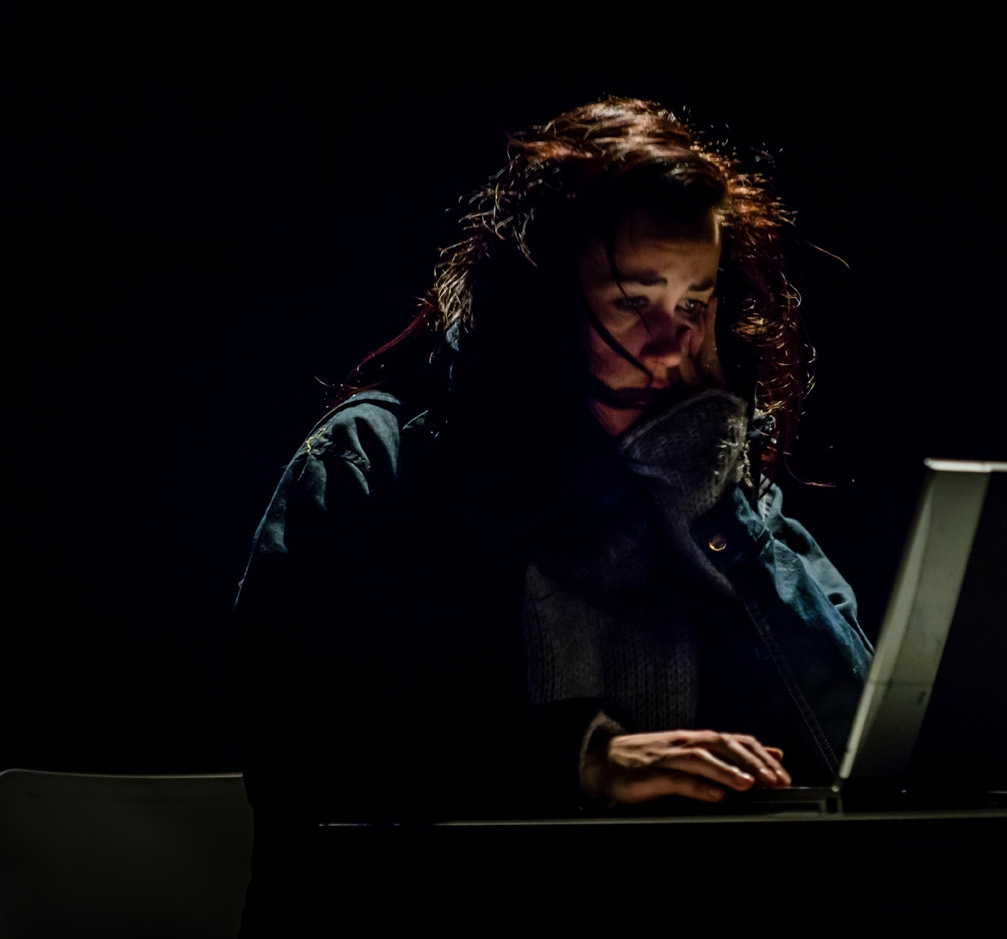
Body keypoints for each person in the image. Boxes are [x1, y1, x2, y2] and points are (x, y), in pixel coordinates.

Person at [232, 98, 872, 836]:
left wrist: (720, 514)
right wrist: (579, 757)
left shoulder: (715, 480)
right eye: (634, 301)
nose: (673, 350)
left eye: (692, 303)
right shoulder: (375, 465)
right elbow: (299, 754)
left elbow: (861, 744)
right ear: (542, 306)